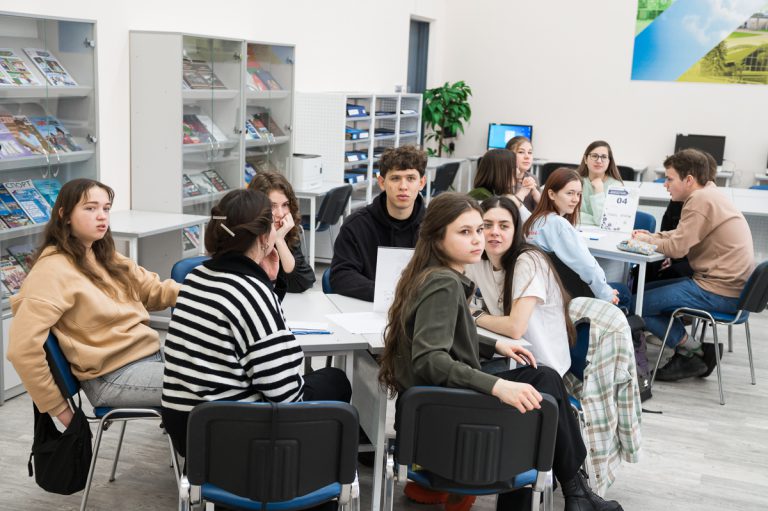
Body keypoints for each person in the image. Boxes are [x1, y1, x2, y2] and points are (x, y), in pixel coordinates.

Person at [378, 192, 623, 511]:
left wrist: (493, 344)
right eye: (465, 232)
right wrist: (498, 386)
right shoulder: (443, 283)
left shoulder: (432, 274)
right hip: (446, 414)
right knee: (541, 387)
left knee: (542, 381)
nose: (477, 239)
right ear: (438, 238)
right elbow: (430, 360)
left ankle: (577, 492)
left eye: (478, 230)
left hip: (434, 410)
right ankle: (577, 491)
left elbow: (444, 333)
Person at [161, 189, 351, 456]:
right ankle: (307, 472)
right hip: (232, 438)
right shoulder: (252, 293)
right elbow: (287, 394)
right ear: (264, 238)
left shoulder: (196, 277)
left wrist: (267, 280)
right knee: (335, 381)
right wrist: (265, 287)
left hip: (185, 429)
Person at [7, 178, 180, 428]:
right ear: (65, 215)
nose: (102, 216)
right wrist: (61, 410)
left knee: (223, 369)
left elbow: (154, 291)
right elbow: (21, 349)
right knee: (212, 383)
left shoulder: (102, 255)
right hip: (112, 376)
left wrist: (208, 291)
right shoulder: (51, 271)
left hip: (148, 357)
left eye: (106, 208)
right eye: (90, 208)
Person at [631, 149, 755, 381]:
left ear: (688, 180)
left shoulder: (699, 200)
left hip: (719, 291)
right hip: (730, 288)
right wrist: (652, 236)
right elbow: (681, 234)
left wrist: (647, 241)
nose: (665, 184)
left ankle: (693, 351)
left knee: (636, 304)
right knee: (640, 294)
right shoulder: (709, 194)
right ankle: (694, 350)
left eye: (669, 179)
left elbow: (677, 248)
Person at [466, 195, 574, 377]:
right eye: (487, 225)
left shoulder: (528, 262)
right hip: (506, 355)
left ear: (515, 230)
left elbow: (515, 328)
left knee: (461, 379)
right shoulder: (479, 259)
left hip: (540, 367)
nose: (494, 232)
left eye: (504, 226)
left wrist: (475, 315)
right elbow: (458, 302)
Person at [330, 145, 427, 301]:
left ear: (421, 183)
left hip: (420, 307)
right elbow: (341, 276)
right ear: (382, 182)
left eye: (410, 178)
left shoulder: (435, 226)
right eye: (395, 178)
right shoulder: (356, 225)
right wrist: (390, 295)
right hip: (368, 307)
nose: (403, 187)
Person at [523, 168, 625, 306]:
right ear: (551, 194)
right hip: (569, 296)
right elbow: (588, 268)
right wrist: (606, 294)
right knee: (624, 292)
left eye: (578, 194)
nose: (576, 199)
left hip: (549, 292)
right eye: (570, 193)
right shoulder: (559, 225)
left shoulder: (535, 220)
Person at [248, 170, 315, 300]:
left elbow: (303, 281)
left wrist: (279, 240)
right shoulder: (245, 236)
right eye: (272, 206)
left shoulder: (285, 232)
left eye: (285, 205)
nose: (280, 213)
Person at [467, 149, 532, 214]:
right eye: (514, 167)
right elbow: (503, 215)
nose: (518, 172)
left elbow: (529, 219)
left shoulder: (501, 193)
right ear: (500, 171)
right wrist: (521, 194)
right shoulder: (480, 194)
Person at [576, 141, 623, 227]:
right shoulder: (575, 182)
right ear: (585, 159)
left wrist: (599, 191)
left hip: (606, 233)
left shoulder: (616, 187)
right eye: (594, 156)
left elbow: (606, 221)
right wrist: (596, 220)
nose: (599, 161)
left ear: (609, 161)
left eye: (604, 157)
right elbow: (569, 214)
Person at [505, 135, 540, 210]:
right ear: (509, 155)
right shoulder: (502, 179)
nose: (527, 157)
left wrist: (537, 196)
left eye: (530, 152)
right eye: (521, 152)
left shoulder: (533, 178)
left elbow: (539, 212)